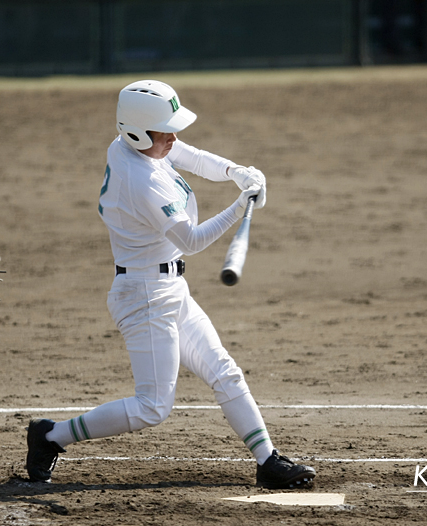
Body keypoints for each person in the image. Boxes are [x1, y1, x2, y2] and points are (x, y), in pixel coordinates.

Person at [25, 80, 316, 490]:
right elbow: (192, 241)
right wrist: (240, 204)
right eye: (165, 132)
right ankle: (51, 436)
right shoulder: (142, 181)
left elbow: (189, 155)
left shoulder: (135, 143)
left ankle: (268, 459)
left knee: (224, 372)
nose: (173, 138)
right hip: (144, 296)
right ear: (138, 132)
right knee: (152, 408)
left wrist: (236, 172)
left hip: (169, 287)